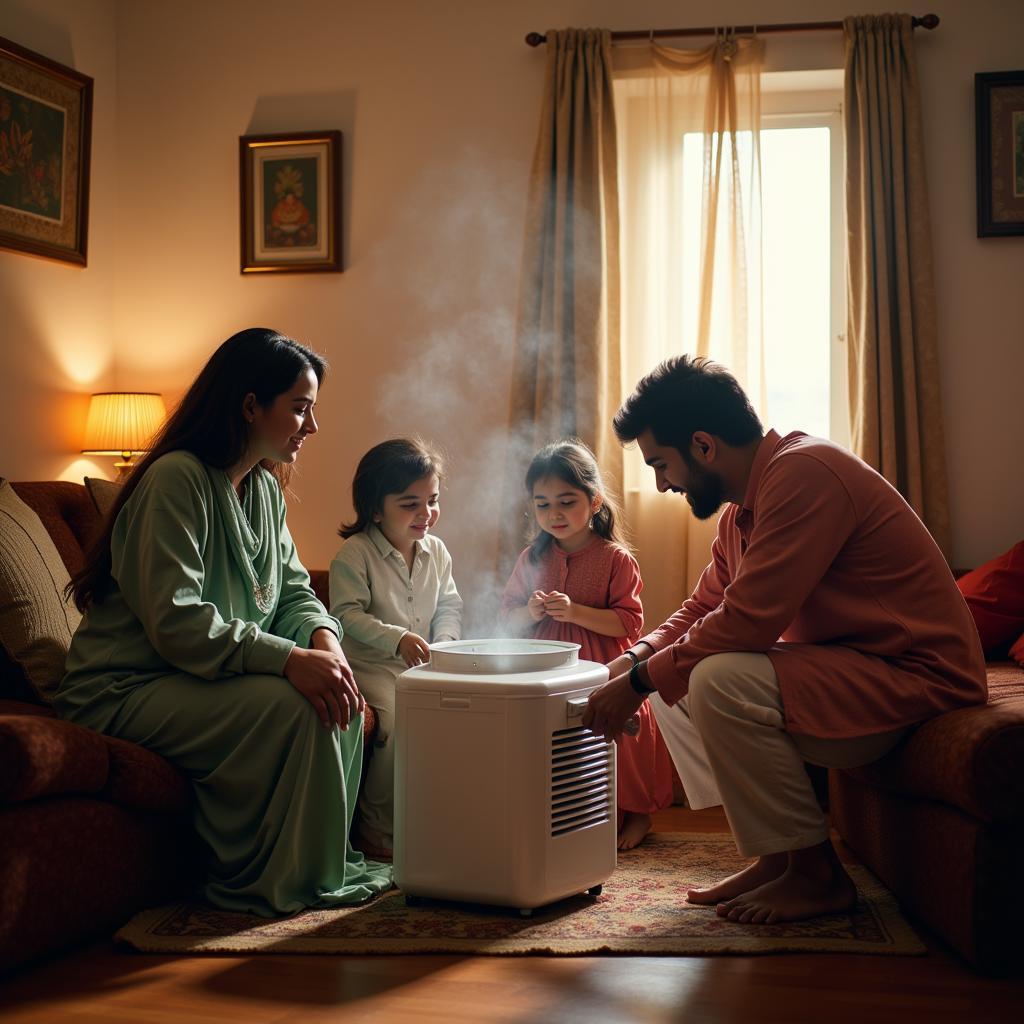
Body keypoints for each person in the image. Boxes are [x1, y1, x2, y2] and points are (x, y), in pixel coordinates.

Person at [583, 355, 987, 924]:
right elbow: (705, 606)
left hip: (917, 678)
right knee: (680, 676)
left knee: (717, 676)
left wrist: (640, 681)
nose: (660, 484)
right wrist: (629, 663)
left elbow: (746, 621)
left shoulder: (806, 474)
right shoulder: (743, 510)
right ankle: (779, 859)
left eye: (660, 464)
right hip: (857, 669)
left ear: (703, 445)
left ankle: (818, 876)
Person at [56, 327, 393, 916]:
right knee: (296, 705)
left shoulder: (261, 486)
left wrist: (322, 642)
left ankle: (317, 864)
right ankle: (275, 879)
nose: (311, 427)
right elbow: (178, 621)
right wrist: (289, 660)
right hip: (127, 687)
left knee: (336, 692)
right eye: (300, 408)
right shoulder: (176, 479)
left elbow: (292, 591)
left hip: (200, 678)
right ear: (249, 405)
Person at [500, 439, 674, 850]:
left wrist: (575, 611)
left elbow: (630, 624)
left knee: (620, 736)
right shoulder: (532, 558)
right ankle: (565, 814)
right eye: (542, 504)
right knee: (556, 737)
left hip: (603, 665)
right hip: (547, 664)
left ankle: (637, 814)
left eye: (566, 501)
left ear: (594, 502)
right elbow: (507, 618)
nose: (554, 513)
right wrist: (532, 612)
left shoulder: (615, 559)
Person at [329, 438, 463, 858]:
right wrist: (397, 638)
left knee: (457, 718)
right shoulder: (355, 555)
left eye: (432, 501)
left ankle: (433, 818)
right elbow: (346, 615)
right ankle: (375, 829)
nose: (426, 514)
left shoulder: (437, 552)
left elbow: (449, 605)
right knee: (400, 720)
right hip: (369, 665)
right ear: (374, 508)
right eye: (410, 504)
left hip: (422, 666)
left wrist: (446, 643)